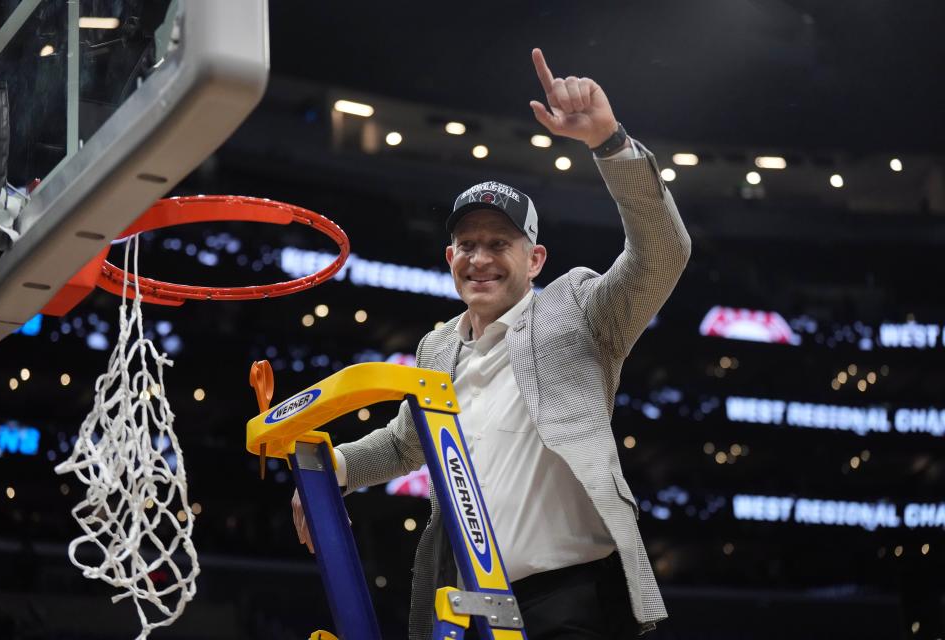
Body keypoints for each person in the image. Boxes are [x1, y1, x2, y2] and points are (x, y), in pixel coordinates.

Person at [292, 47, 691, 639]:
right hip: (471, 608)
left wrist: (608, 141)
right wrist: (335, 468)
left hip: (572, 601)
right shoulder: (436, 349)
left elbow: (663, 254)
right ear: (449, 258)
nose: (480, 259)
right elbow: (406, 444)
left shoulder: (576, 309)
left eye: (499, 244)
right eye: (468, 245)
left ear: (535, 259)